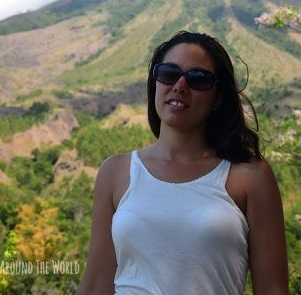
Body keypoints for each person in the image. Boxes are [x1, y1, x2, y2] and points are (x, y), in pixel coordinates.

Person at [77, 30, 289, 295]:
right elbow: (96, 285)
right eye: (168, 73)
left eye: (198, 79)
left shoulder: (249, 176)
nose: (180, 86)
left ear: (218, 98)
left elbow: (273, 289)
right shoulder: (116, 172)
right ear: (155, 83)